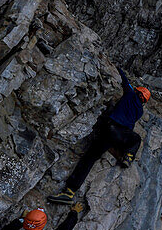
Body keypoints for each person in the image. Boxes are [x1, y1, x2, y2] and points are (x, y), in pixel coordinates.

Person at [48, 67, 150, 204]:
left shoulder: (130, 94)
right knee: (136, 139)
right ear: (144, 101)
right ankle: (128, 156)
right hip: (122, 136)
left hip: (110, 129)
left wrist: (118, 68)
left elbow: (124, 80)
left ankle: (69, 192)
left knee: (89, 159)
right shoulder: (140, 112)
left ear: (137, 92)